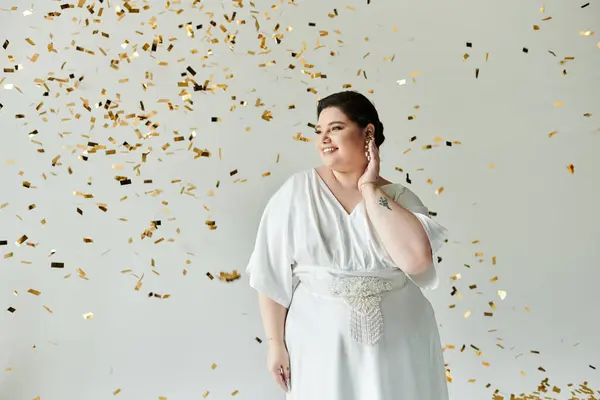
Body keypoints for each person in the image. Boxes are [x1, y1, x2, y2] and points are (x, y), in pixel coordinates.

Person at [245, 90, 449, 400]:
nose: (324, 138)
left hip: (401, 344)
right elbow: (270, 275)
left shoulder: (398, 198)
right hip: (317, 345)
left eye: (336, 128)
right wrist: (276, 346)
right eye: (319, 131)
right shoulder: (297, 193)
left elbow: (417, 262)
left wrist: (369, 187)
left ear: (368, 132)